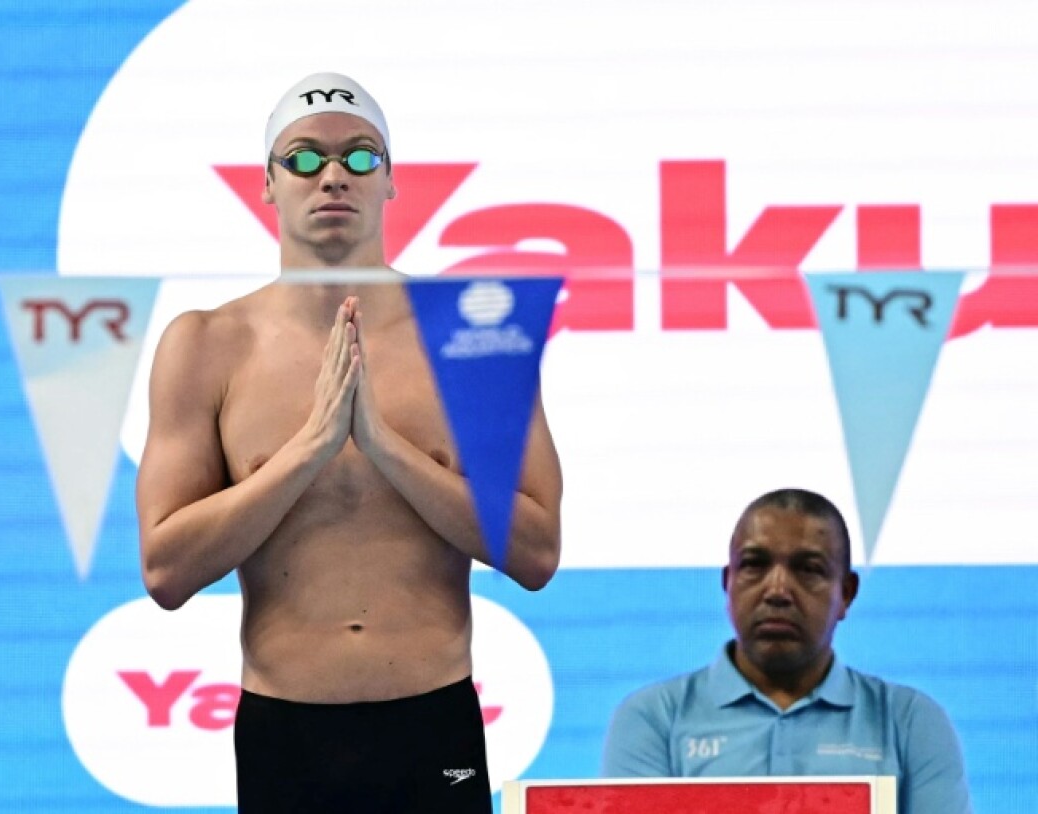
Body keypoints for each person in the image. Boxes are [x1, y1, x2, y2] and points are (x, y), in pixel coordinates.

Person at [136, 72, 563, 814]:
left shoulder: (472, 334)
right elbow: (165, 570)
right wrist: (309, 450)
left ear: (391, 182)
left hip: (434, 724)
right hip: (284, 736)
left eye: (360, 157)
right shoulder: (206, 345)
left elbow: (536, 555)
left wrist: (387, 448)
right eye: (303, 159)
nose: (332, 176)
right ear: (266, 185)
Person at [601, 488, 972, 814]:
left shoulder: (909, 723)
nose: (777, 589)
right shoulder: (654, 719)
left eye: (807, 569)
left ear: (846, 593)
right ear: (727, 582)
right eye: (754, 566)